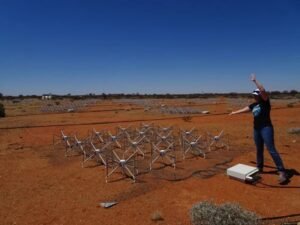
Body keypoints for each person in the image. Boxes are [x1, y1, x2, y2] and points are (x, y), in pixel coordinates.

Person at [229, 74, 288, 184]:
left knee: (271, 149)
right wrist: (234, 112)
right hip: (256, 129)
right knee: (259, 149)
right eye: (254, 95)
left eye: (256, 95)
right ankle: (259, 168)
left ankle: (282, 171)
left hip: (266, 128)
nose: (255, 96)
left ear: (260, 95)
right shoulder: (254, 104)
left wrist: (255, 81)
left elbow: (263, 90)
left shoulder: (265, 102)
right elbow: (245, 109)